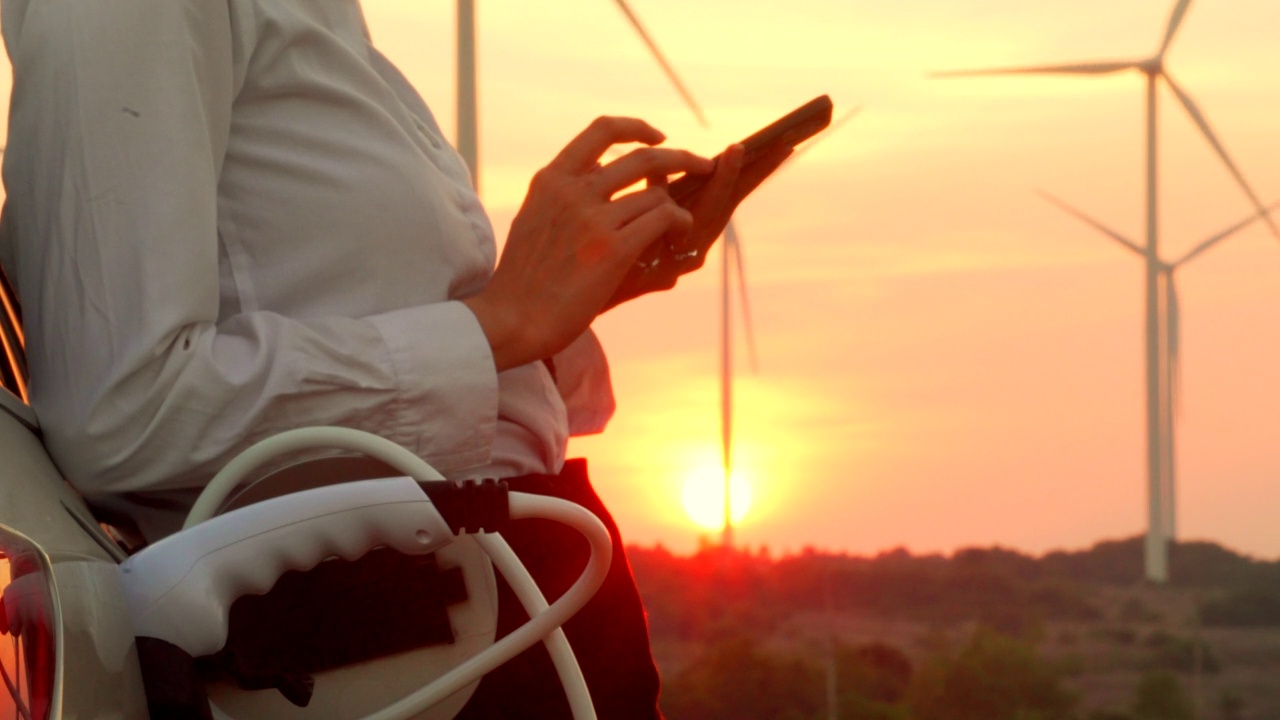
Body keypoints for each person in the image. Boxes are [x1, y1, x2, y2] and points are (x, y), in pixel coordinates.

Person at [0, 0, 788, 717]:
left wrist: (571, 292)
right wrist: (496, 327)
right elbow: (120, 407)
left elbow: (369, 323)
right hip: (400, 652)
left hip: (496, 615)